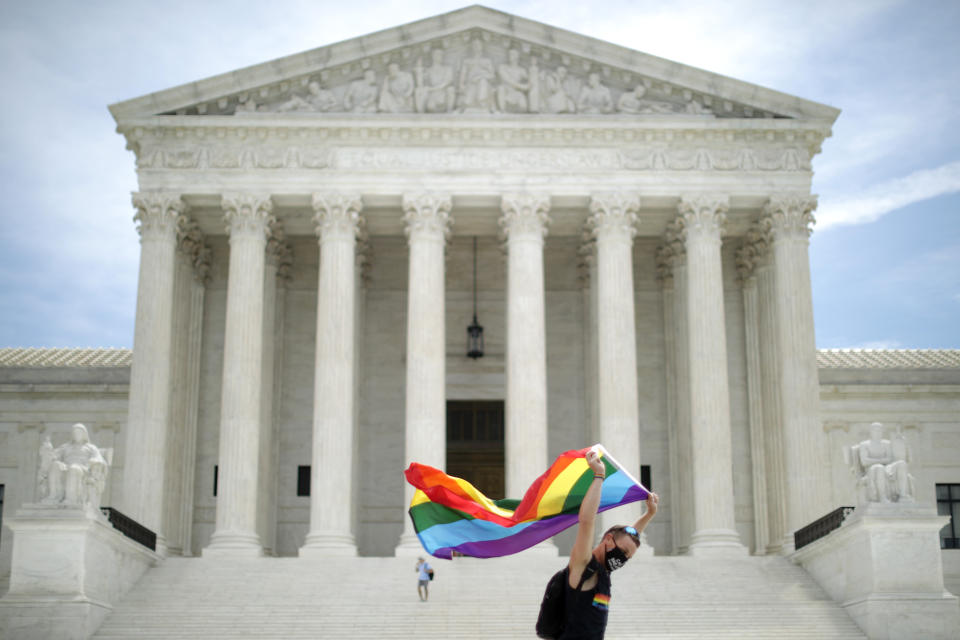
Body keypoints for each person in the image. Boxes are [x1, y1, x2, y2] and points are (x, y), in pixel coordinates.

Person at [561, 449, 659, 639]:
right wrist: (598, 475)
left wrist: (649, 514)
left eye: (628, 557)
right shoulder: (583, 564)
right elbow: (587, 520)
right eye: (622, 552)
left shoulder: (604, 570)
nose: (622, 559)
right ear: (607, 540)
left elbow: (629, 539)